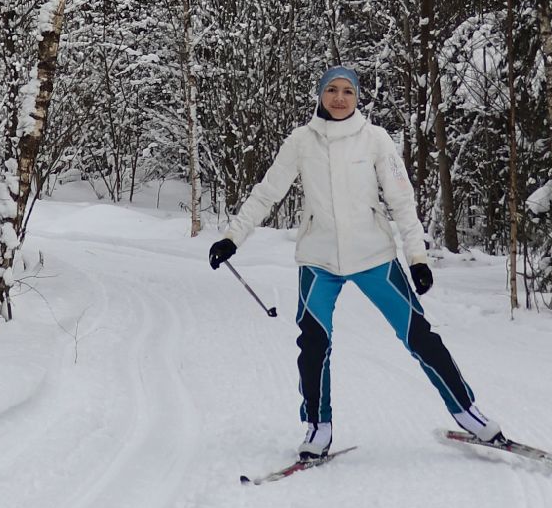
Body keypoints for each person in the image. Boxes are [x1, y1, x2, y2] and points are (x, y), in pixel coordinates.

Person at [208, 65, 504, 459]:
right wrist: (232, 237)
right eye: (331, 89)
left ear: (357, 97)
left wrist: (417, 257)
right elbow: (266, 194)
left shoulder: (375, 139)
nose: (339, 98)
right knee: (314, 342)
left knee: (419, 335)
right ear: (320, 95)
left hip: (373, 256)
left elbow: (401, 201)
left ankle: (467, 412)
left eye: (347, 91)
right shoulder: (301, 141)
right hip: (319, 259)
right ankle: (318, 427)